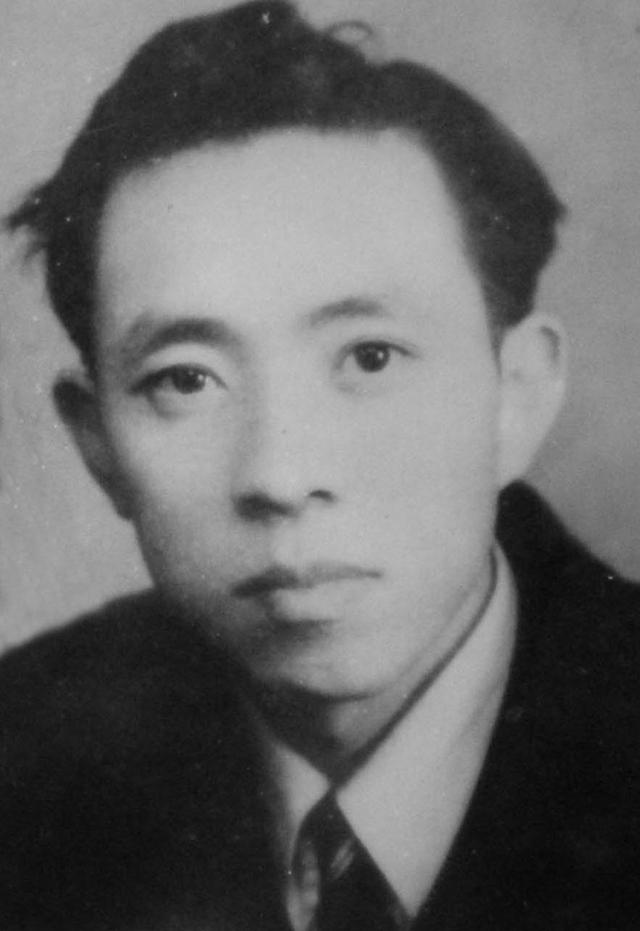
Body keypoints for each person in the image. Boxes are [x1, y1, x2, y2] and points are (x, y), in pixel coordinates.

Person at [2, 1, 640, 928]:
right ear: (97, 444)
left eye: (370, 358)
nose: (281, 475)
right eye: (186, 379)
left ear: (517, 393)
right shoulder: (23, 757)